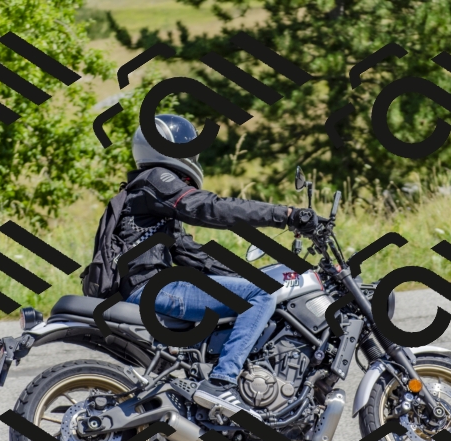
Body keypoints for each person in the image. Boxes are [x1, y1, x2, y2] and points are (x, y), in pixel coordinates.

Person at [121, 114, 318, 421]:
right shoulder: (157, 179)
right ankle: (222, 383)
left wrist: (242, 276)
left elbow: (188, 252)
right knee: (261, 294)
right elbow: (210, 208)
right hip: (150, 287)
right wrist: (285, 214)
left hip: (147, 285)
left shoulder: (147, 189)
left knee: (252, 289)